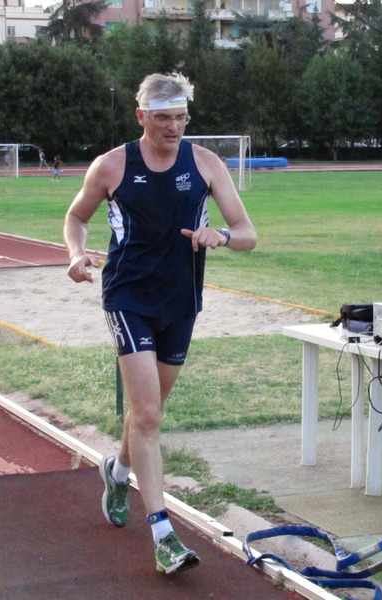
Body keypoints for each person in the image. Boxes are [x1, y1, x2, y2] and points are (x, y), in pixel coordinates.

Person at [63, 72, 256, 575]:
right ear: (141, 115)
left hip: (181, 302)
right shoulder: (112, 166)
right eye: (163, 117)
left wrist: (222, 237)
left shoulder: (207, 164)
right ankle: (165, 536)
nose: (174, 127)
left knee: (148, 412)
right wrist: (76, 253)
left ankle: (118, 469)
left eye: (181, 117)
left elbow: (248, 232)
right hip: (127, 297)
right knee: (148, 416)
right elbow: (76, 217)